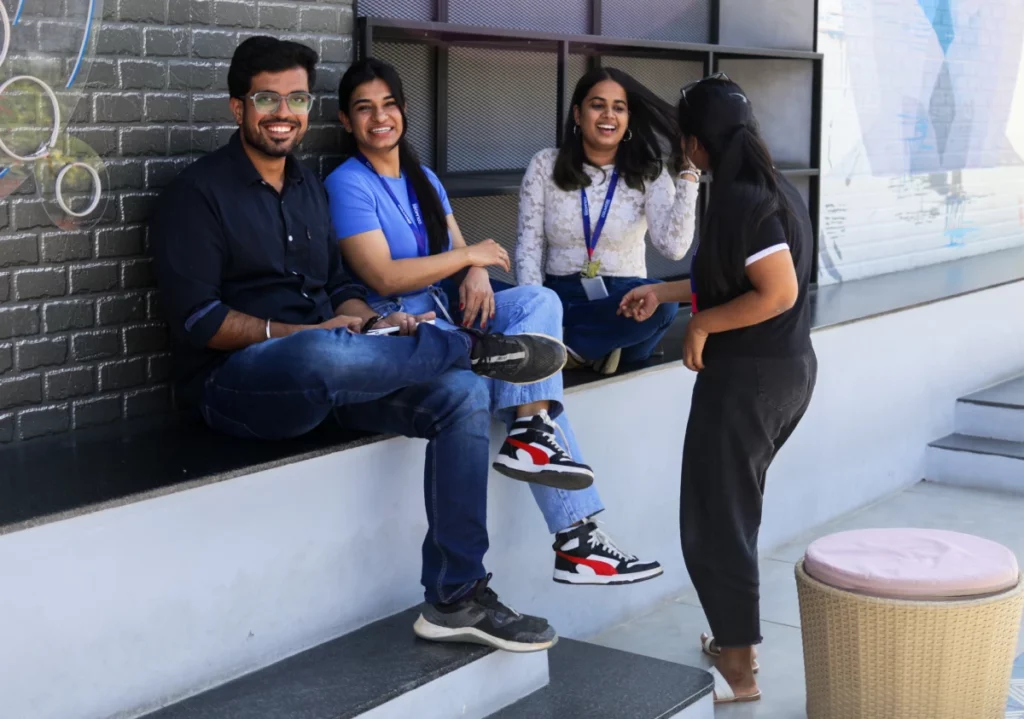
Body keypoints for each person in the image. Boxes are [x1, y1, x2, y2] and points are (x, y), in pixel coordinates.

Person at [149, 36, 571, 652]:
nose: (283, 112)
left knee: (458, 396)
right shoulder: (197, 196)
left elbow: (343, 286)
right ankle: (469, 347)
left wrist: (365, 320)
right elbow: (199, 320)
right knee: (321, 354)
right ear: (237, 106)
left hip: (337, 372)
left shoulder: (309, 190)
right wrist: (304, 333)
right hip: (239, 383)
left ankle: (458, 597)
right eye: (267, 97)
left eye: (295, 98)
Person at [323, 57, 663, 587]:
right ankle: (575, 540)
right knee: (526, 374)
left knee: (539, 303)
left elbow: (463, 253)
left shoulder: (425, 178)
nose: (379, 118)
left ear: (404, 111)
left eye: (389, 105)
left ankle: (531, 432)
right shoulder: (347, 183)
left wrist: (476, 268)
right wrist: (469, 259)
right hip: (407, 330)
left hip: (451, 311)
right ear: (347, 121)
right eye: (364, 109)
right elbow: (384, 276)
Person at [618, 75, 817, 703]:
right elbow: (741, 279)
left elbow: (777, 292)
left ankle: (738, 671)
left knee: (715, 519)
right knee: (733, 512)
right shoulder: (767, 187)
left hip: (750, 379)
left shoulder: (744, 200)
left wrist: (701, 322)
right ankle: (737, 640)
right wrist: (669, 292)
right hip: (781, 373)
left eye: (686, 143)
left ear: (696, 143)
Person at [516, 67, 700, 375]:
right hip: (562, 298)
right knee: (490, 293)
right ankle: (592, 350)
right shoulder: (545, 164)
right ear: (578, 114)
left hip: (627, 301)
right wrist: (536, 314)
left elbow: (674, 248)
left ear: (628, 118)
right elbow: (528, 247)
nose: (608, 115)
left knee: (663, 303)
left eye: (619, 108)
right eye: (597, 105)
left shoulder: (648, 172)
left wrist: (689, 175)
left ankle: (567, 349)